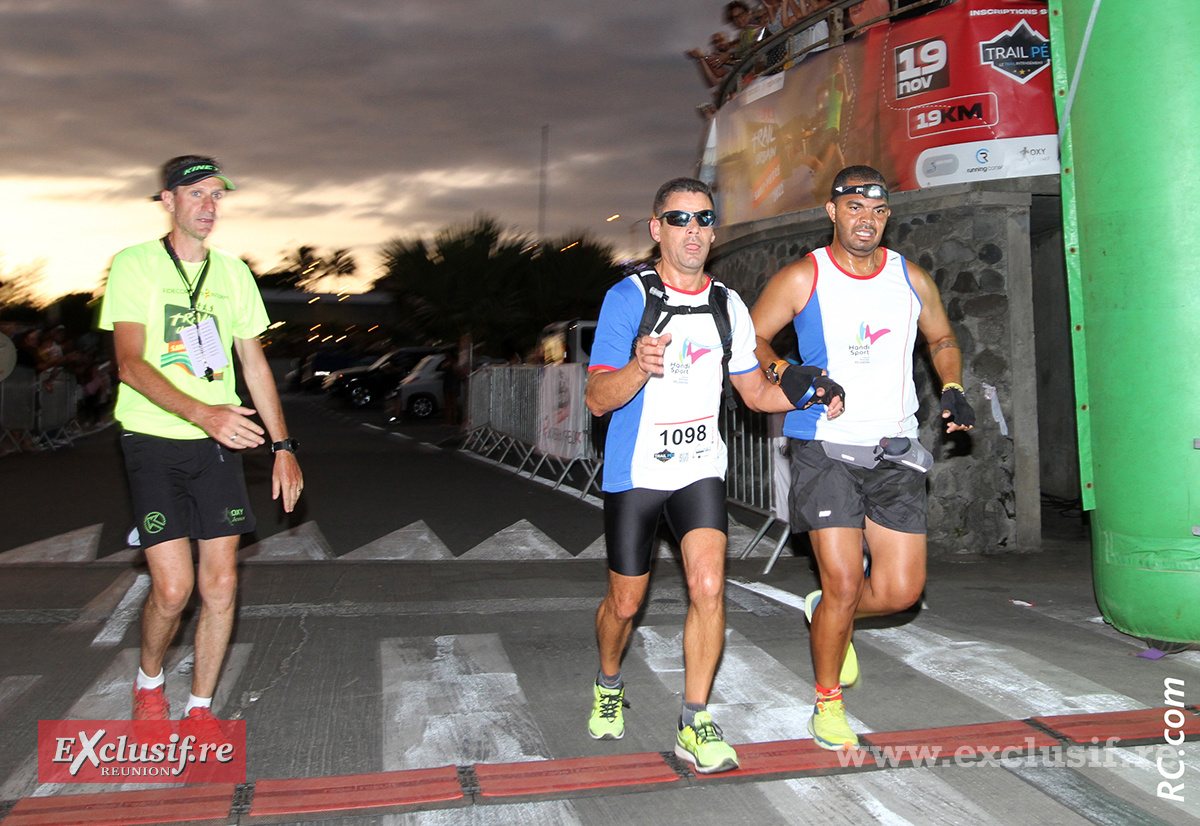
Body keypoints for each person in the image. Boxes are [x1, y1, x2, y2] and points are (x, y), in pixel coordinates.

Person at [584, 177, 840, 774]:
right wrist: (637, 369)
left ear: (713, 231)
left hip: (701, 468)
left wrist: (809, 395)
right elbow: (598, 398)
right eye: (679, 219)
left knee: (707, 586)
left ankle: (693, 720)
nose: (692, 230)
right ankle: (608, 679)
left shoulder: (728, 305)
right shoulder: (628, 298)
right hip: (638, 470)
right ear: (656, 229)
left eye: (703, 219)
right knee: (625, 604)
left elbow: (753, 394)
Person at [749, 165, 975, 751]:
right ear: (832, 212)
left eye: (876, 211)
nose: (865, 220)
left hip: (895, 450)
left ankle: (829, 611)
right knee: (848, 581)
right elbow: (747, 339)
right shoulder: (806, 276)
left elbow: (942, 339)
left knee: (900, 592)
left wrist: (951, 385)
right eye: (854, 208)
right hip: (825, 447)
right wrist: (785, 370)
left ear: (887, 216)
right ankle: (827, 701)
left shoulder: (910, 276)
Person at [98, 155, 303, 739]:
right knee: (173, 588)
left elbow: (253, 362)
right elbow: (130, 363)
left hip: (218, 444)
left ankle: (200, 710)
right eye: (197, 195)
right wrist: (203, 413)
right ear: (167, 200)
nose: (210, 206)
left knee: (221, 583)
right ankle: (148, 681)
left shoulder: (233, 274)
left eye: (217, 195)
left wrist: (284, 444)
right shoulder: (136, 265)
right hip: (154, 438)